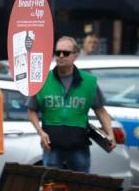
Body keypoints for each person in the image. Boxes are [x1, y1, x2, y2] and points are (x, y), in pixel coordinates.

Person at [26, 36, 114, 173]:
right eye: (57, 52)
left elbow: (101, 111)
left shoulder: (89, 82)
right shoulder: (42, 80)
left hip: (79, 146)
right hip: (52, 147)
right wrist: (40, 132)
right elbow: (31, 110)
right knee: (51, 187)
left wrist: (110, 134)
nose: (61, 56)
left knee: (80, 188)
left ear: (75, 56)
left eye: (66, 53)